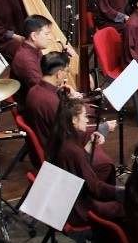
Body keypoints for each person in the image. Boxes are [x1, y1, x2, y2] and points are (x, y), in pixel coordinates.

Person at [26, 51, 116, 181]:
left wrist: (68, 97)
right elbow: (71, 131)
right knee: (106, 165)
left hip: (49, 141)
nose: (66, 76)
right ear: (59, 74)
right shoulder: (51, 102)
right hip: (60, 153)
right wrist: (103, 127)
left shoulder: (34, 91)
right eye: (66, 72)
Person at [45, 95, 123, 226]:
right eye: (85, 116)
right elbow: (95, 188)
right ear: (74, 120)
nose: (87, 120)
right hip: (77, 209)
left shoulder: (59, 138)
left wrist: (89, 146)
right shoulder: (73, 150)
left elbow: (74, 166)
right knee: (126, 207)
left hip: (62, 200)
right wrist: (122, 191)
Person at [11, 15, 74, 106]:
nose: (50, 38)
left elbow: (46, 67)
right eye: (46, 34)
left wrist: (64, 56)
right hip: (38, 106)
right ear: (34, 36)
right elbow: (43, 90)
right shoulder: (26, 60)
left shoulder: (33, 49)